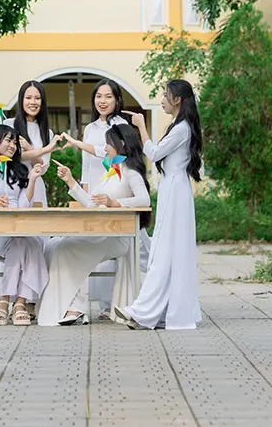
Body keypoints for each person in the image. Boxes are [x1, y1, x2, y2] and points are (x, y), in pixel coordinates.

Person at [37, 123, 151, 326]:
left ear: (121, 144)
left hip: (117, 237)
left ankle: (75, 308)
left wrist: (114, 203)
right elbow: (92, 204)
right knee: (53, 245)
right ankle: (73, 307)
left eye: (108, 143)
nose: (105, 148)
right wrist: (70, 181)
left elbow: (145, 200)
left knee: (66, 247)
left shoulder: (130, 172)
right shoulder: (111, 172)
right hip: (100, 233)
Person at [118, 79, 203, 331]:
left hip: (175, 192)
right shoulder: (179, 126)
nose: (162, 100)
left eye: (166, 96)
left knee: (164, 252)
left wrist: (142, 127)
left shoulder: (181, 129)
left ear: (178, 100)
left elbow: (154, 153)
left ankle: (144, 311)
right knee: (167, 252)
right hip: (173, 190)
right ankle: (157, 312)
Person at [62, 78, 130, 317]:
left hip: (115, 191)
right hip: (93, 195)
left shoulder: (122, 125)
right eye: (99, 96)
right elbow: (87, 165)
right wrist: (84, 193)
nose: (103, 101)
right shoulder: (90, 128)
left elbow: (109, 154)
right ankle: (94, 304)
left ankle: (109, 304)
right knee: (90, 245)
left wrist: (78, 143)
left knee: (109, 249)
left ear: (117, 100)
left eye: (108, 96)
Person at [0, 125, 49, 326]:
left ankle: (7, 302)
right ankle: (17, 303)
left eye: (15, 142)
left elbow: (24, 206)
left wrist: (32, 180)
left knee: (28, 242)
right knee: (27, 243)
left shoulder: (20, 171)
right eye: (8, 140)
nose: (13, 145)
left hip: (19, 230)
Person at [4, 80, 63, 206]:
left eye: (37, 98)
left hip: (36, 188)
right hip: (11, 185)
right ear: (21, 100)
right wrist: (40, 151)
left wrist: (29, 148)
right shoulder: (8, 125)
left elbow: (42, 167)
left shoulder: (47, 132)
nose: (33, 102)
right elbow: (9, 157)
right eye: (28, 98)